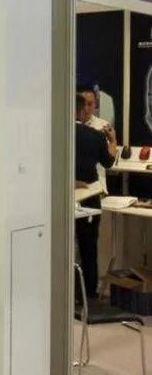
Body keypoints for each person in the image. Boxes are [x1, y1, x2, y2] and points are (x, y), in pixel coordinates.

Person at [75, 93, 117, 298]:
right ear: (83, 110)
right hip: (88, 195)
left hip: (58, 197)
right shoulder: (95, 135)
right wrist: (113, 140)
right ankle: (88, 295)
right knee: (88, 248)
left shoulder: (53, 132)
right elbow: (108, 162)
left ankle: (62, 294)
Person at [78, 85, 116, 194]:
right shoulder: (67, 126)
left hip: (97, 186)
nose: (86, 108)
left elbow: (108, 159)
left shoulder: (103, 126)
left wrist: (113, 141)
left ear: (95, 105)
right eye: (83, 104)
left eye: (90, 104)